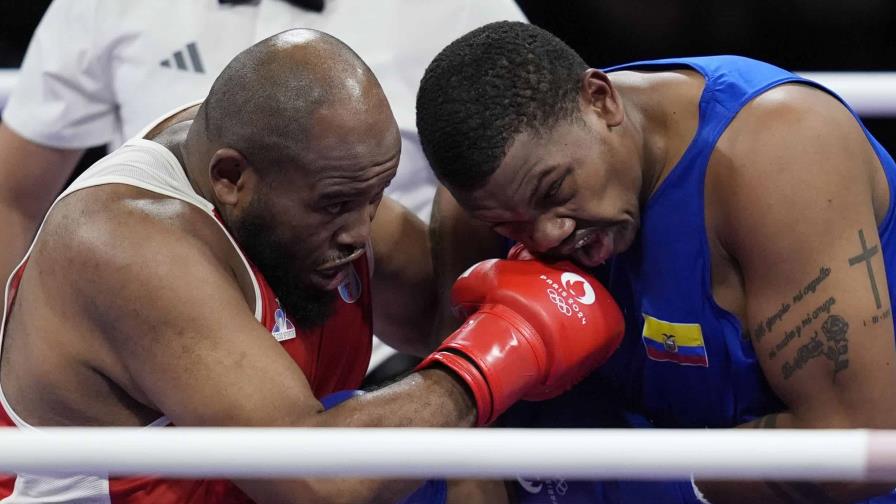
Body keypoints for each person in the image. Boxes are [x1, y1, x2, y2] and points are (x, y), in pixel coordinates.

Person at [0, 29, 624, 503]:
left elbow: (441, 318)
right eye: (337, 205)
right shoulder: (124, 244)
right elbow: (318, 479)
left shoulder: (315, 175)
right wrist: (496, 356)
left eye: (374, 199)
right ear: (230, 179)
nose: (361, 231)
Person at [417, 21, 896, 503]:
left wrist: (649, 483)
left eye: (556, 191)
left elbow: (859, 446)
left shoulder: (778, 156)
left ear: (601, 101)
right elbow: (469, 436)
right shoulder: (485, 200)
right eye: (512, 226)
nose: (547, 233)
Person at [0, 0, 528, 375]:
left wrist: (487, 329)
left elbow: (535, 176)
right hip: (161, 337)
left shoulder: (462, 10)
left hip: (379, 344)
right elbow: (13, 197)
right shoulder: (106, 7)